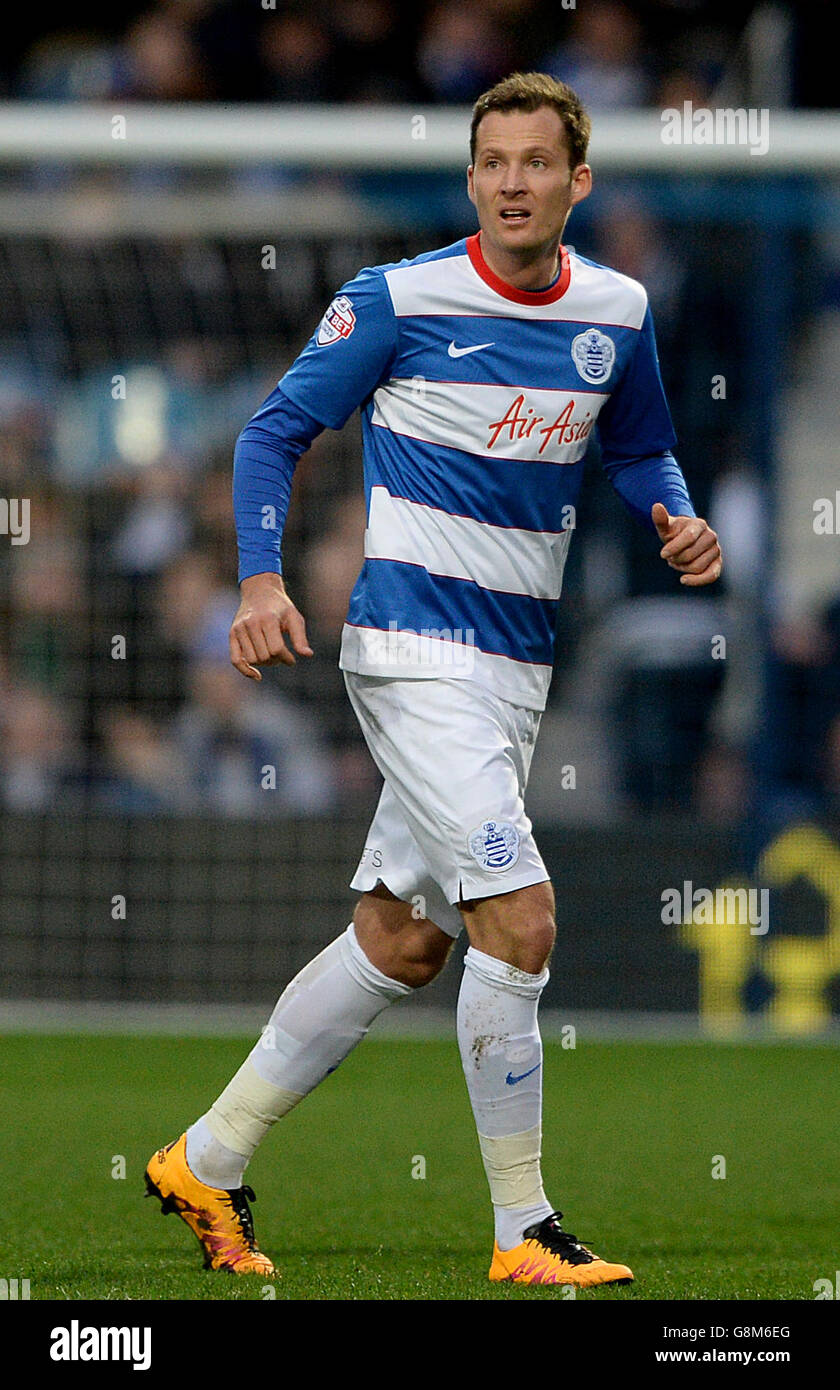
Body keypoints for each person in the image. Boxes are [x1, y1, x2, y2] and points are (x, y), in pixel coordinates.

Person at [145, 71, 722, 1287]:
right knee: (520, 918)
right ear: (471, 179)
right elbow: (272, 432)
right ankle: (524, 1228)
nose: (513, 182)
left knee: (402, 940)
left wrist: (672, 514)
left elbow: (641, 442)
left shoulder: (616, 308)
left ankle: (208, 1154)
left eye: (535, 162)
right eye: (492, 162)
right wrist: (259, 580)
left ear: (578, 180)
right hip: (411, 653)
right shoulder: (398, 300)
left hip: (514, 668)